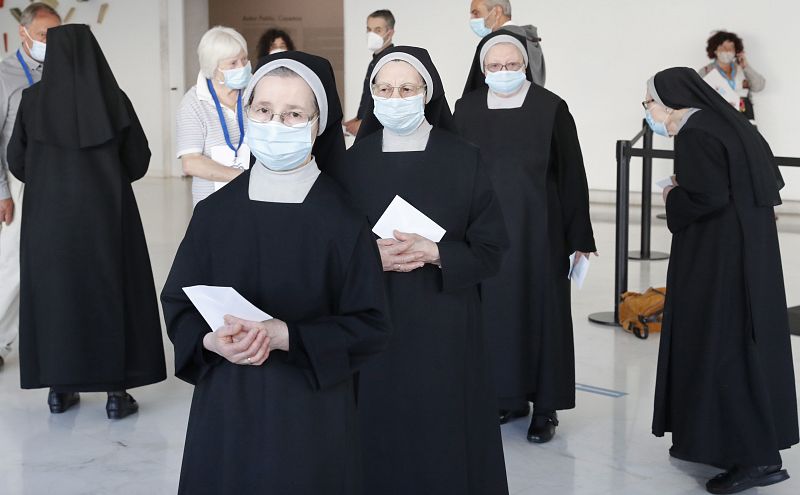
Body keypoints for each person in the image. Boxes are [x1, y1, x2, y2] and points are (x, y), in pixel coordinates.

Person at [161, 51, 392, 494]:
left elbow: (370, 327)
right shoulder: (214, 213)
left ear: (317, 124)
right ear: (246, 112)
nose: (274, 124)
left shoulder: (343, 221)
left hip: (310, 415)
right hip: (226, 408)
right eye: (263, 111)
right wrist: (209, 340)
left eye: (293, 115)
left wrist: (287, 334)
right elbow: (179, 303)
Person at [328, 46, 510, 494]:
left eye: (407, 88)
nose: (395, 97)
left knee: (444, 433)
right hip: (373, 323)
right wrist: (369, 258)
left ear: (427, 92)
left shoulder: (464, 157)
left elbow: (491, 248)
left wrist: (437, 251)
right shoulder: (351, 164)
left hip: (445, 324)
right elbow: (328, 250)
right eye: (384, 89)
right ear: (371, 94)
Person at [645, 67, 798, 494]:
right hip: (746, 254)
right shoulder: (728, 123)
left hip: (718, 260)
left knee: (724, 347)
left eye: (650, 102)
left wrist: (672, 193)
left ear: (672, 101)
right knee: (731, 344)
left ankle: (758, 460)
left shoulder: (695, 134)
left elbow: (707, 197)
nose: (650, 112)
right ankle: (711, 438)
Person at [7, 24, 166, 418]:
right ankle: (115, 393)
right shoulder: (115, 99)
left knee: (57, 298)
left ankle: (59, 391)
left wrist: (49, 180)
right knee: (112, 295)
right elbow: (139, 160)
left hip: (49, 220)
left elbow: (17, 161)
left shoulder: (31, 100)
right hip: (107, 215)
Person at [455, 30, 596, 444]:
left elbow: (572, 175)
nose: (503, 73)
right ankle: (507, 396)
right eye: (494, 67)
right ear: (483, 69)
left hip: (541, 233)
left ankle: (546, 408)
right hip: (486, 234)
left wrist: (580, 236)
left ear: (526, 66)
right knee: (494, 317)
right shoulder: (466, 109)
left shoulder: (550, 108)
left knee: (542, 315)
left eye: (511, 65)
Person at [0, 3, 60, 371]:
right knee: (12, 268)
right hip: (20, 184)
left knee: (54, 267)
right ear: (23, 34)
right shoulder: (5, 75)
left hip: (59, 184)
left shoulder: (67, 72)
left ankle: (49, 339)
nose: (50, 43)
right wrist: (3, 192)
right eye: (43, 36)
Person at [176, 26, 252, 207]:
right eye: (233, 63)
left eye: (244, 59)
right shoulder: (193, 103)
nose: (242, 67)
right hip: (213, 201)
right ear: (213, 68)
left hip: (255, 197)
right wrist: (243, 177)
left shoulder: (256, 91)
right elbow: (191, 163)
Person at [342, 9, 395, 137]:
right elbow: (370, 99)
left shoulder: (391, 62)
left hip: (380, 135)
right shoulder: (375, 61)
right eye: (369, 29)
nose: (372, 34)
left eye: (377, 30)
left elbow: (391, 104)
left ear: (390, 33)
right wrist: (357, 119)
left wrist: (364, 123)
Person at [468, 0, 545, 87]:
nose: (472, 19)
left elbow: (477, 90)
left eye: (476, 13)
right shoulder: (530, 38)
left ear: (497, 11)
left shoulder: (494, 43)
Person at [698, 31, 765, 121]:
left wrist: (746, 66)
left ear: (736, 51)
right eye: (723, 47)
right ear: (715, 50)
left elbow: (759, 87)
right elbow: (698, 96)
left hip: (744, 118)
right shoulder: (705, 72)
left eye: (731, 47)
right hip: (718, 118)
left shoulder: (742, 69)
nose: (727, 51)